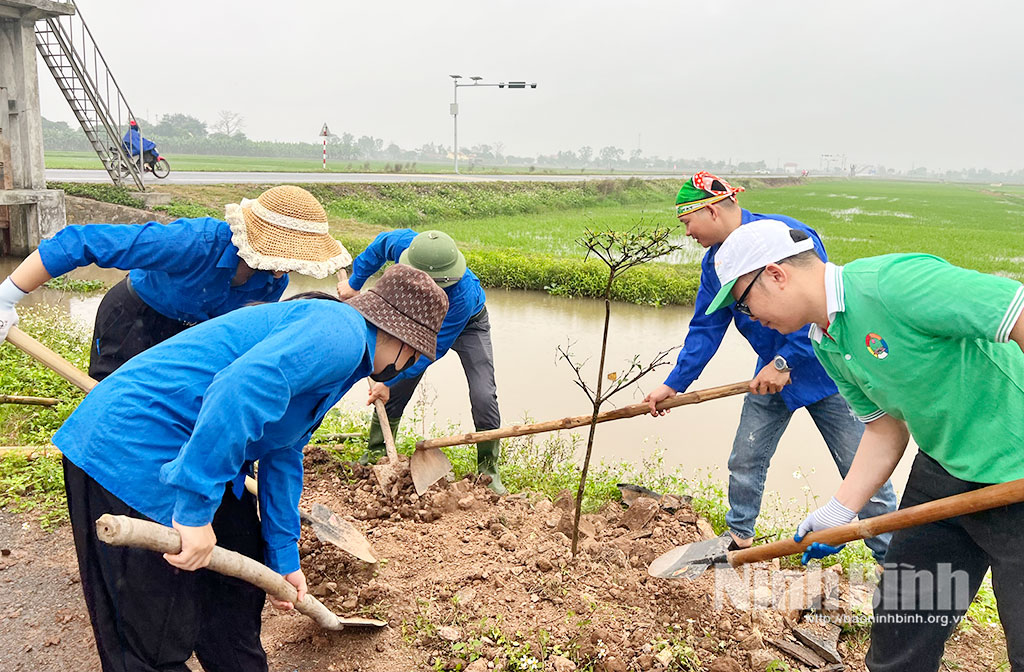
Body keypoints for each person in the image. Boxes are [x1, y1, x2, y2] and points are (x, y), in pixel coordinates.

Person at [54, 263, 448, 672]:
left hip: (203, 451)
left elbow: (284, 449)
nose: (414, 362)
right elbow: (235, 393)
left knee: (233, 610)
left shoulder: (349, 359)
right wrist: (192, 511)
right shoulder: (340, 334)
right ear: (404, 342)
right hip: (130, 449)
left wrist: (284, 556)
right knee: (148, 646)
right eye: (418, 354)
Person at [707, 219, 1024, 672]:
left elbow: (1015, 312)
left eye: (744, 300)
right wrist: (840, 509)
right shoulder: (827, 342)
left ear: (775, 274)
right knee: (903, 624)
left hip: (1017, 469)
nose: (748, 315)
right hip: (944, 470)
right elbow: (885, 428)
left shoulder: (893, 283)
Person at [643, 171, 896, 561]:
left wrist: (785, 360)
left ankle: (891, 558)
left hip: (826, 370)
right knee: (746, 456)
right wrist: (675, 383)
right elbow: (706, 327)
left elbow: (819, 307)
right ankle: (739, 535)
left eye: (687, 222)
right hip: (768, 378)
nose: (687, 233)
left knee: (863, 468)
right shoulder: (714, 265)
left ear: (710, 211)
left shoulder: (787, 238)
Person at [0, 185, 351, 380]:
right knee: (112, 402)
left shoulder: (272, 282)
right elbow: (79, 242)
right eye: (282, 259)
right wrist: (7, 296)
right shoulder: (191, 242)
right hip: (134, 318)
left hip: (192, 332)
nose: (284, 271)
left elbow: (239, 330)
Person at [337, 228, 504, 493]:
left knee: (483, 394)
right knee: (393, 372)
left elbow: (430, 350)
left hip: (469, 325)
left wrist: (390, 381)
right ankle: (377, 453)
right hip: (416, 317)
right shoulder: (406, 245)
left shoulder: (463, 294)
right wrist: (355, 283)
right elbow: (378, 247)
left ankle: (488, 470)